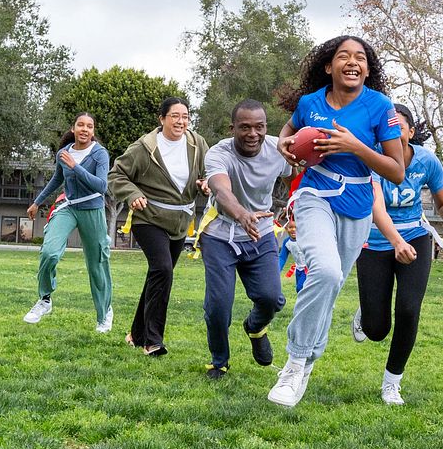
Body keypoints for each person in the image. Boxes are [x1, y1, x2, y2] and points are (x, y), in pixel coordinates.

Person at [267, 35, 405, 407]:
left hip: (358, 203)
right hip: (314, 194)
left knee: (330, 289)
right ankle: (294, 364)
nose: (352, 62)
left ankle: (308, 362)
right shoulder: (310, 103)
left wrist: (356, 147)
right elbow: (289, 131)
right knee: (324, 273)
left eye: (360, 57)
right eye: (343, 56)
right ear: (328, 66)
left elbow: (396, 171)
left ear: (367, 68)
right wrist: (284, 143)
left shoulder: (380, 107)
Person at [352, 105, 443, 405]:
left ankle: (392, 382)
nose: (392, 132)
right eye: (387, 127)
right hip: (374, 241)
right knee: (376, 330)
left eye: (399, 126)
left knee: (408, 309)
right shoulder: (371, 157)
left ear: (411, 132)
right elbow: (375, 208)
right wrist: (395, 240)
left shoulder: (426, 160)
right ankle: (367, 312)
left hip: (415, 236)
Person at [198, 99, 292, 379]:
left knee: (271, 298)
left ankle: (255, 326)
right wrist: (241, 214)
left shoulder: (278, 149)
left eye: (259, 127)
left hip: (260, 233)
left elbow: (294, 174)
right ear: (232, 128)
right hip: (220, 234)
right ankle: (219, 361)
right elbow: (220, 189)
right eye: (245, 127)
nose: (253, 134)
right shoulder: (218, 153)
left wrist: (297, 205)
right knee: (218, 306)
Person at [108, 97, 208, 356]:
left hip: (179, 221)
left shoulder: (197, 144)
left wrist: (205, 183)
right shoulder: (144, 148)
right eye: (175, 116)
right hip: (147, 217)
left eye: (185, 116)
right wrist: (132, 194)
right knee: (162, 269)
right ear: (162, 118)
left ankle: (136, 333)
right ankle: (153, 341)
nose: (181, 121)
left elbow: (208, 172)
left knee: (159, 275)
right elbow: (116, 175)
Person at [23, 112, 113, 332]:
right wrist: (37, 202)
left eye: (89, 126)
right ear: (73, 129)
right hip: (69, 207)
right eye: (80, 125)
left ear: (93, 131)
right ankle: (44, 300)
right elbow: (56, 180)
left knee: (97, 264)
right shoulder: (63, 153)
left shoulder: (100, 154)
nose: (84, 129)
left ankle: (104, 313)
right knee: (49, 252)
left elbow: (101, 186)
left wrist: (75, 166)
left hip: (92, 209)